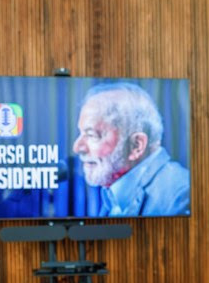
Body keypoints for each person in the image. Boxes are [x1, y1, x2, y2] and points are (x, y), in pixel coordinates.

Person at [72, 82, 190, 217]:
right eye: (81, 133)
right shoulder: (114, 191)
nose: (77, 147)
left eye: (91, 135)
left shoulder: (182, 198)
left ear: (136, 146)